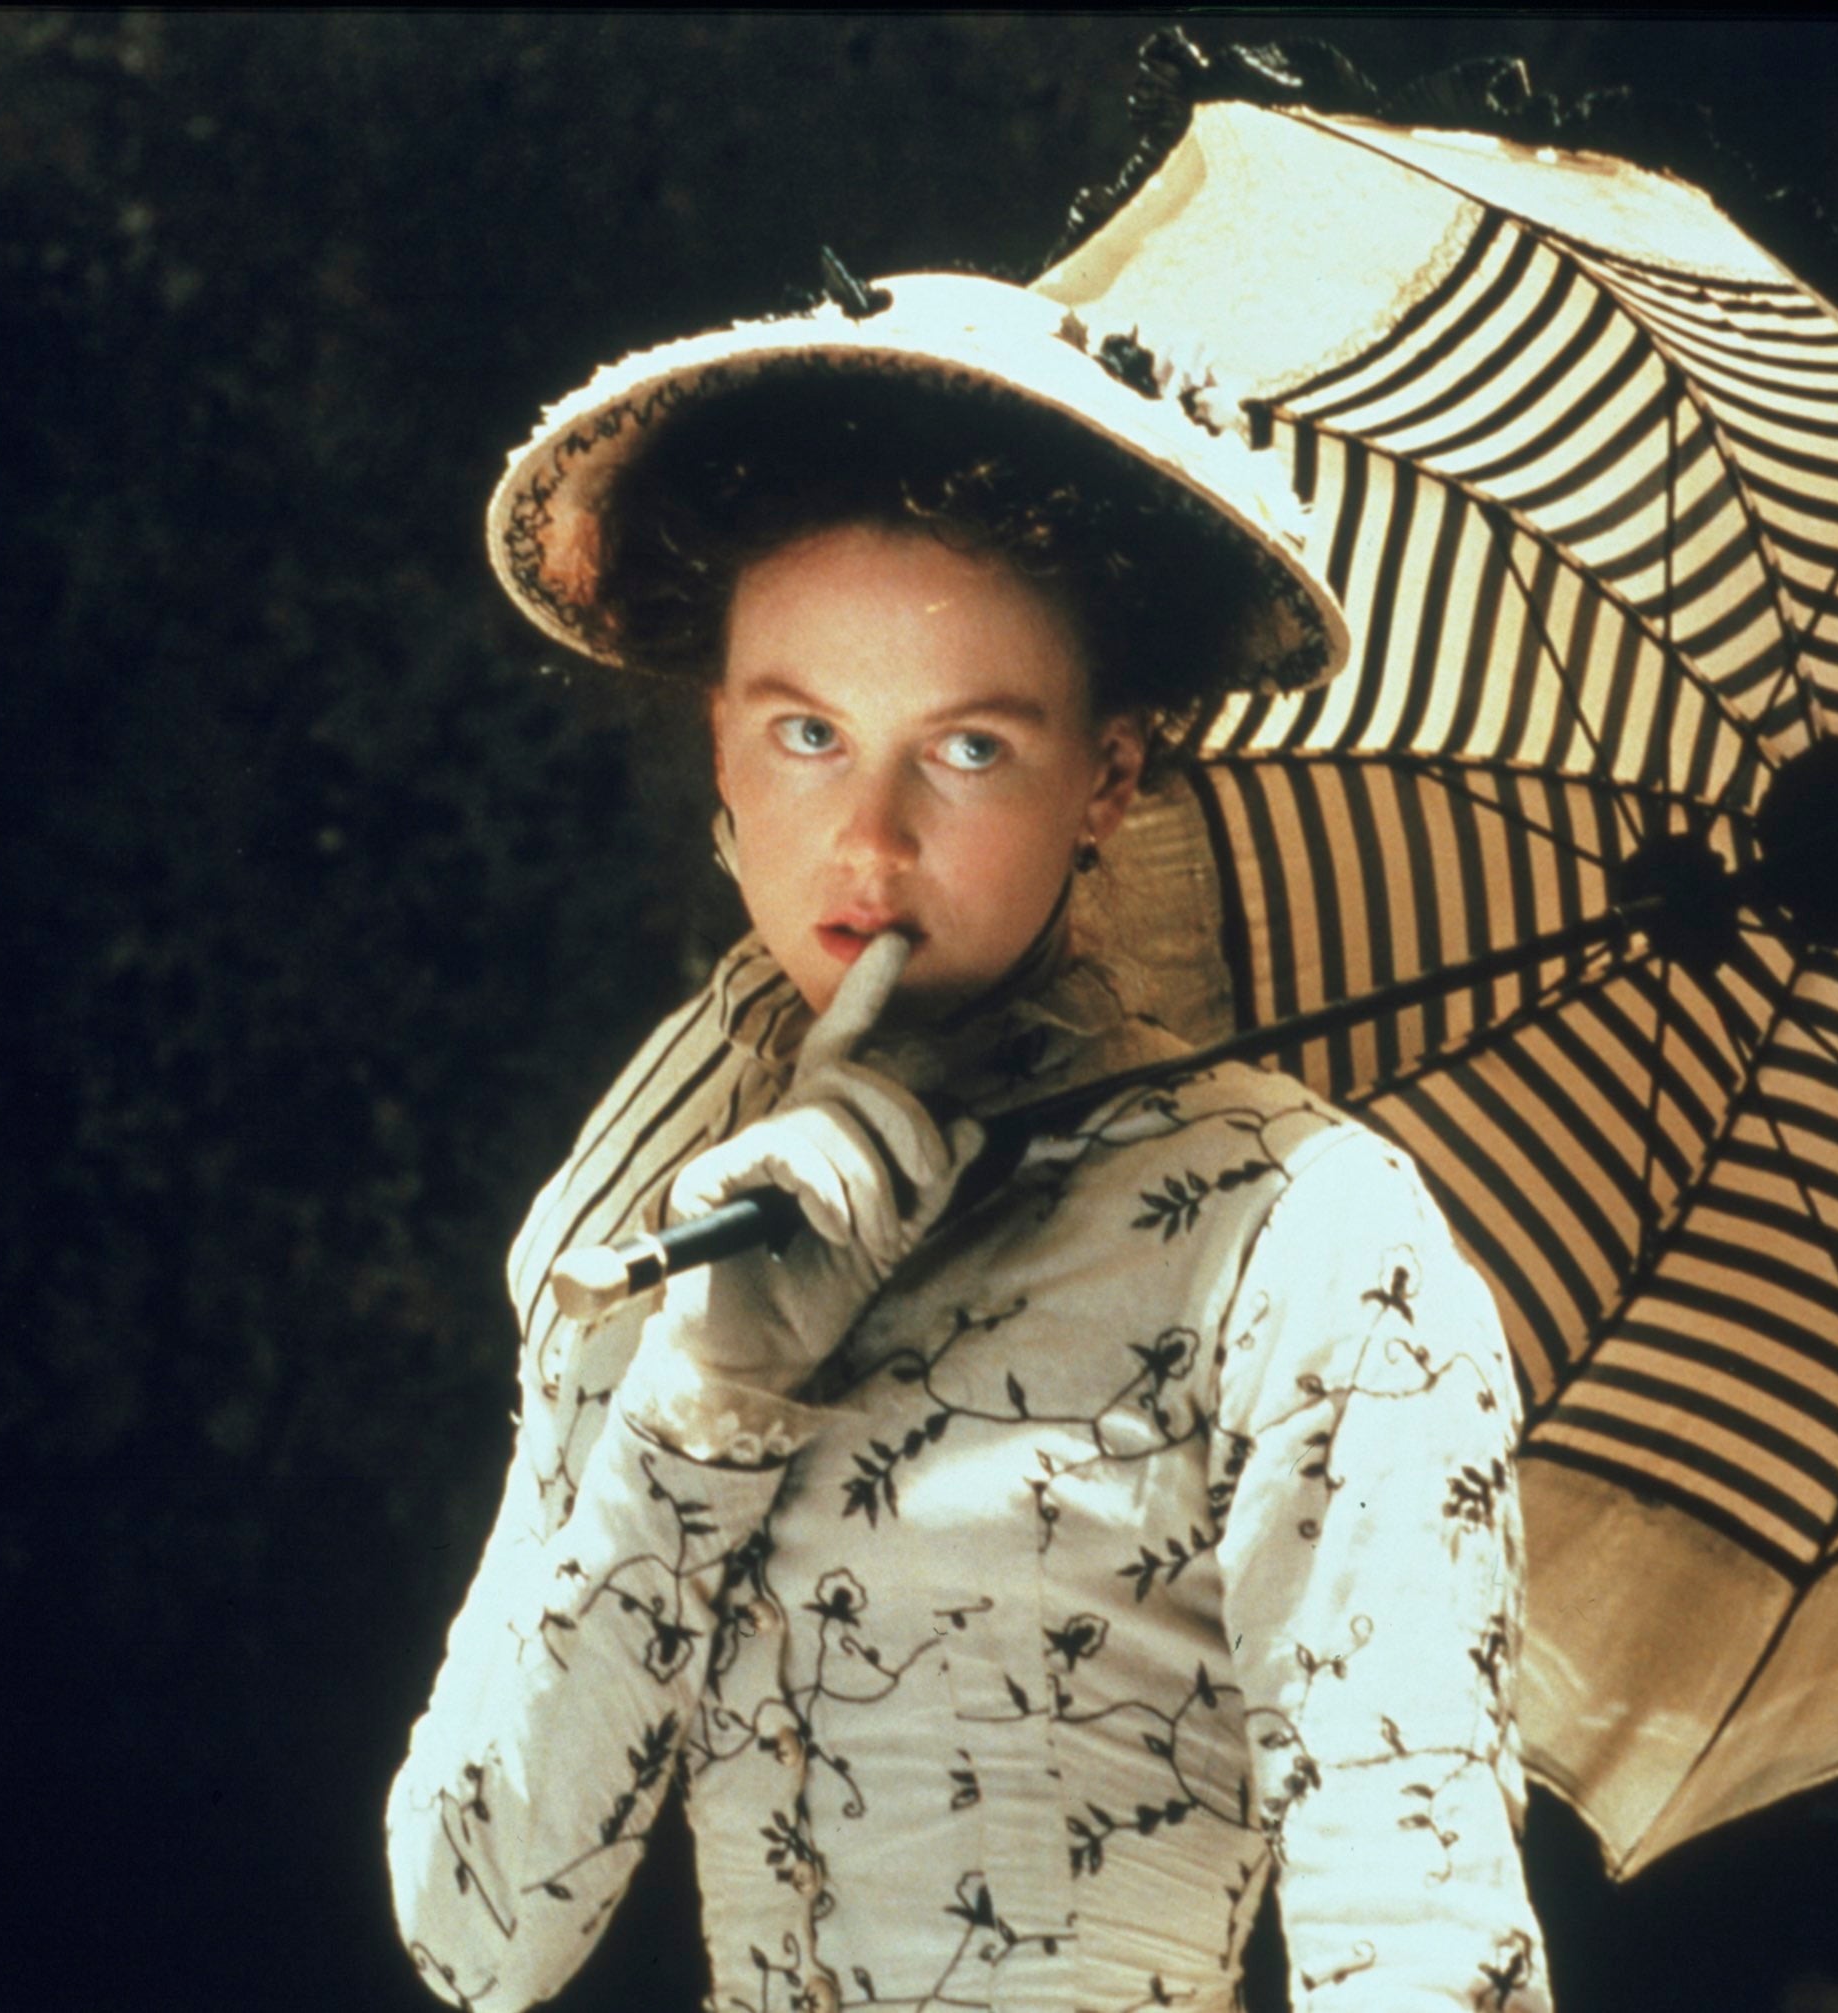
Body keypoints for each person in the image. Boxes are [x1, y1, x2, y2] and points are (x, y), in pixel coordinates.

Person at [386, 271, 1548, 2013]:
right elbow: (475, 1928)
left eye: (972, 748)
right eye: (807, 733)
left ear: (1109, 776)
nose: (870, 838)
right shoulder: (655, 1216)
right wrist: (698, 1407)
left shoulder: (1300, 1233)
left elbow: (1424, 1938)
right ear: (720, 746)